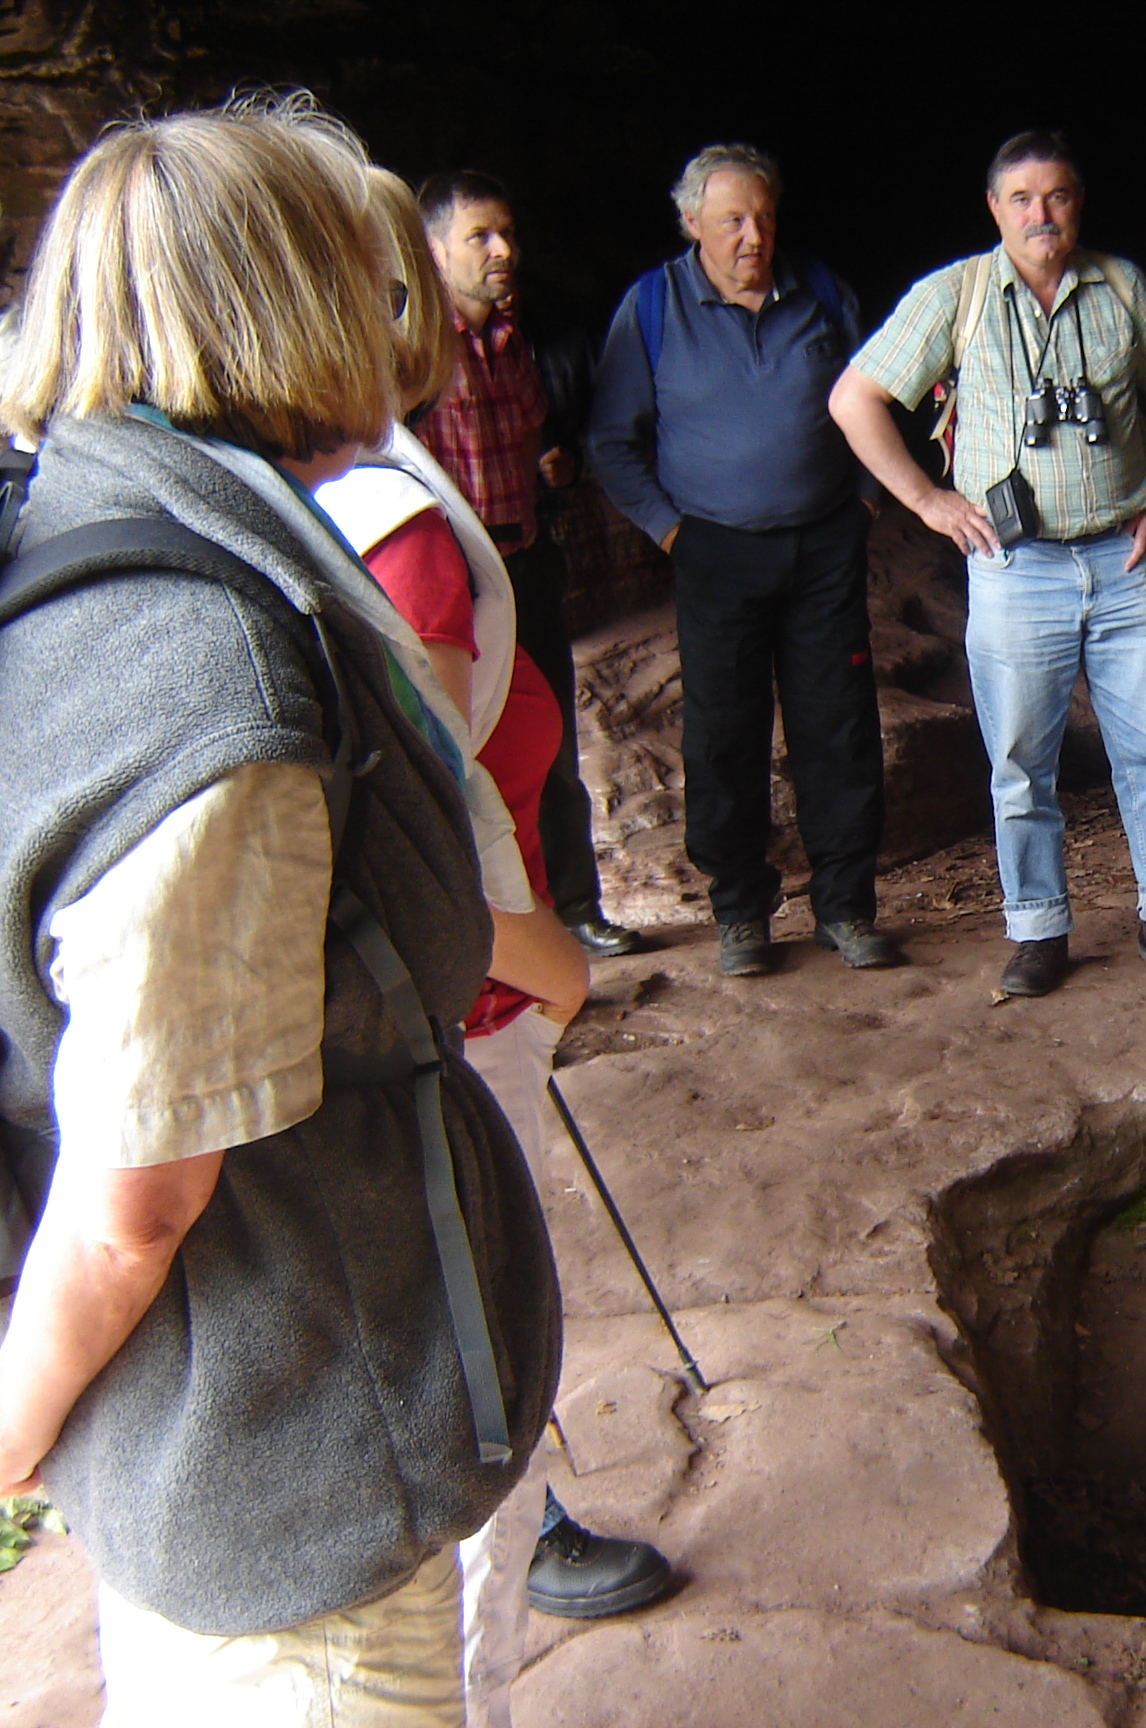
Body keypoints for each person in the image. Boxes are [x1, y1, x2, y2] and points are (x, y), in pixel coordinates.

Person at [0, 94, 558, 1723]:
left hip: (243, 1407)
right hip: (286, 1459)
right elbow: (139, 1196)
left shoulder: (126, 545)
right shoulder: (210, 683)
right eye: (354, 275)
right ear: (279, 304)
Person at [316, 168, 673, 1719]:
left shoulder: (323, 497)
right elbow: (410, 822)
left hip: (425, 1005)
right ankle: (505, 1576)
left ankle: (518, 1526)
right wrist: (549, 969)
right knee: (481, 1317)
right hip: (457, 1009)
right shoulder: (402, 538)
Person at [831, 130, 1146, 1000]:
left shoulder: (1120, 286)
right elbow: (854, 399)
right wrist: (928, 502)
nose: (1041, 214)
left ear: (1079, 203)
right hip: (1016, 567)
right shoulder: (956, 296)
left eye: (1057, 196)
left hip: (1124, 558)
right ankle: (1038, 927)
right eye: (1021, 199)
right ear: (995, 209)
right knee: (1019, 760)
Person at [591, 144, 895, 977]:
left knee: (837, 726)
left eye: (762, 217)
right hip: (714, 549)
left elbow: (880, 397)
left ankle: (847, 906)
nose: (752, 235)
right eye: (731, 220)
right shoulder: (652, 307)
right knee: (723, 736)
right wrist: (670, 531)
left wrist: (866, 500)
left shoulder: (824, 293)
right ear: (692, 224)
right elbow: (613, 440)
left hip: (824, 543)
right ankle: (741, 912)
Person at [417, 168, 646, 961]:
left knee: (548, 742)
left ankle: (574, 909)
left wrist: (551, 466)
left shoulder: (516, 343)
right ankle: (484, 929)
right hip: (445, 582)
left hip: (522, 563)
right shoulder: (409, 349)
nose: (503, 250)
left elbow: (529, 440)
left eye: (506, 233)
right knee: (459, 750)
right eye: (479, 236)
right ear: (433, 248)